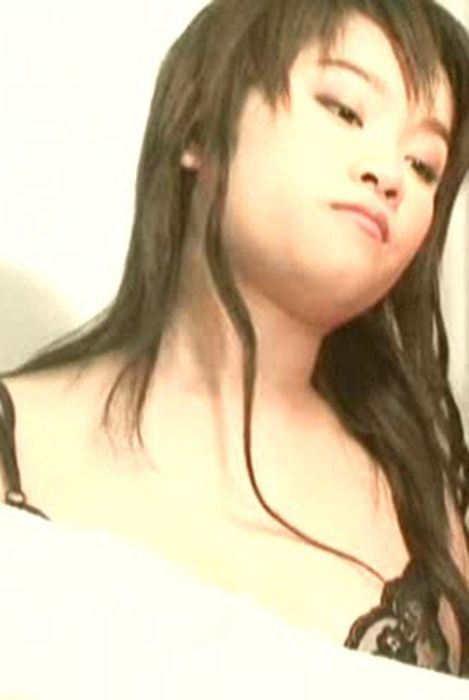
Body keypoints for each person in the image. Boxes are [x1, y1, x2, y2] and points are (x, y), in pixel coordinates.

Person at [1, 0, 469, 693]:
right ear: (200, 126)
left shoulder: (426, 513)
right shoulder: (18, 438)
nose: (390, 174)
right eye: (344, 109)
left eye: (424, 164)